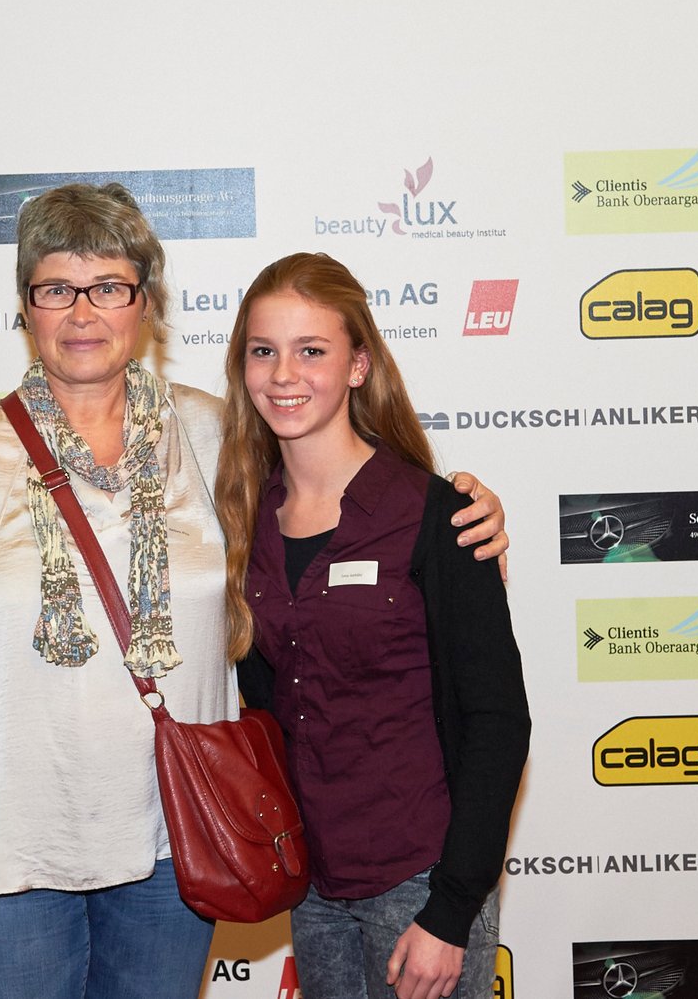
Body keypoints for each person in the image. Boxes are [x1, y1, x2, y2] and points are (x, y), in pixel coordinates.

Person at [0, 184, 510, 999]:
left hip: (173, 847)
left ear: (146, 304)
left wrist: (466, 515)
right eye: (56, 289)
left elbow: (345, 496)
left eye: (108, 287)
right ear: (25, 307)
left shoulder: (220, 436)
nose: (83, 313)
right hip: (5, 856)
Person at [222, 254, 529, 999]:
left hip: (421, 884)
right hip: (312, 886)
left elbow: (498, 721)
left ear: (358, 365)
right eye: (263, 351)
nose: (284, 375)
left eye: (311, 350)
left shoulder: (438, 517)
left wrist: (451, 912)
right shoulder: (241, 521)